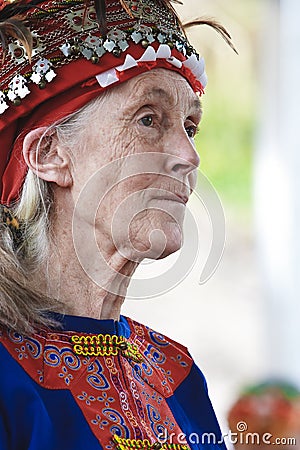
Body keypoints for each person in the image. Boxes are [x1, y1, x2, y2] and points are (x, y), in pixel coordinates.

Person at [0, 0, 235, 448]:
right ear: (50, 154)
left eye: (190, 126)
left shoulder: (175, 372)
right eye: (149, 119)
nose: (189, 157)